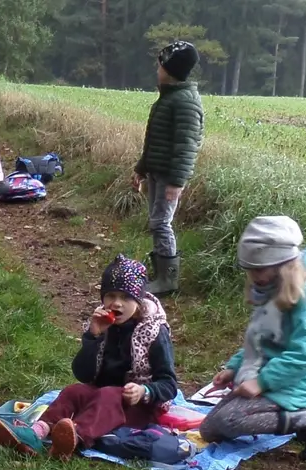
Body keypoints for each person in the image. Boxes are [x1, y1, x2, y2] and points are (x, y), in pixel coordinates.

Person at [0, 255, 178, 459]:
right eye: (110, 296)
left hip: (139, 406)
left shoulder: (153, 332)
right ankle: (36, 433)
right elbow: (83, 373)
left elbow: (169, 385)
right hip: (102, 395)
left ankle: (73, 438)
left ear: (139, 301)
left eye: (125, 298)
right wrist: (94, 336)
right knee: (74, 391)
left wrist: (145, 390)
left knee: (108, 395)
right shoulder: (103, 326)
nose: (116, 304)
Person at [201, 215, 306, 462]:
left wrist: (262, 382)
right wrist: (234, 367)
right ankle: (292, 417)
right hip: (266, 376)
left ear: (281, 263)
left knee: (226, 421)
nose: (253, 276)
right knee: (210, 429)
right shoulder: (273, 286)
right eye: (250, 270)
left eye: (258, 269)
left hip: (292, 382)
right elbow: (260, 340)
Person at [131, 41, 204, 296]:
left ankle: (167, 279)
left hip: (169, 176)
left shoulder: (184, 102)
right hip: (156, 171)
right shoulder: (168, 98)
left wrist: (177, 182)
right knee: (156, 221)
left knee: (162, 222)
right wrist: (141, 168)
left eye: (160, 64)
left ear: (170, 69)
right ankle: (160, 271)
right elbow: (154, 142)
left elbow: (187, 146)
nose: (157, 68)